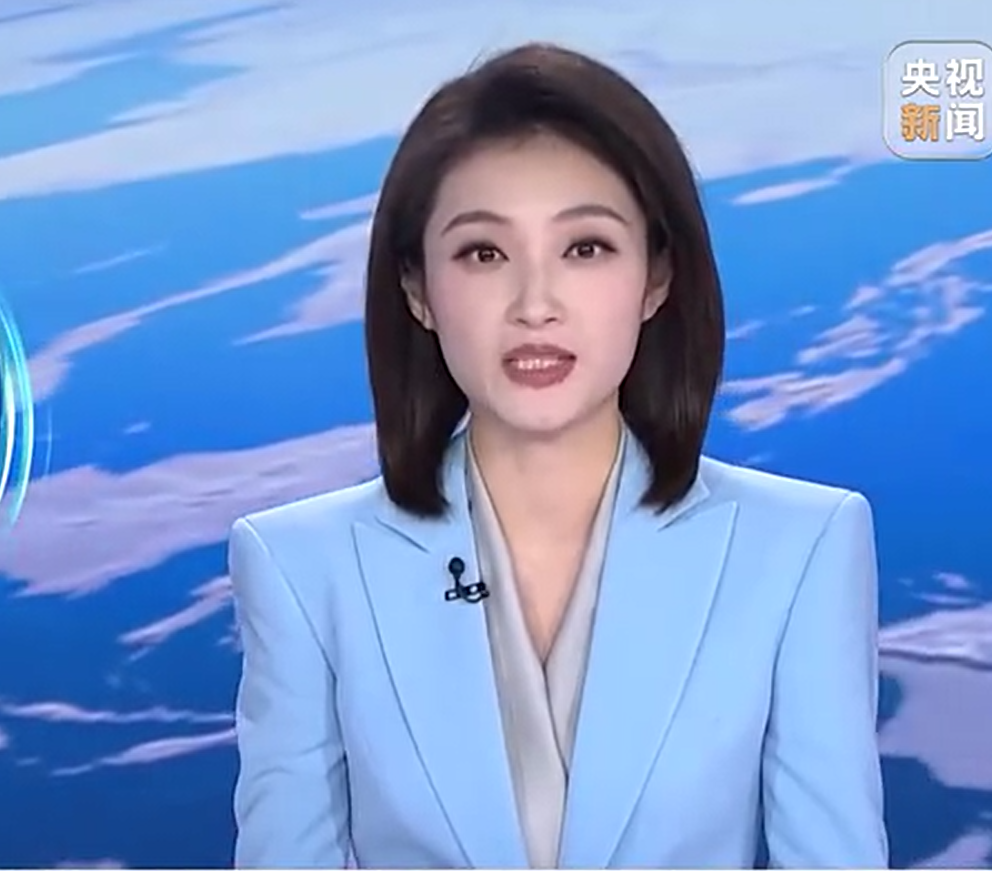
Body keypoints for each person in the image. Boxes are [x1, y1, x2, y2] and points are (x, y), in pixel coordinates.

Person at [228, 43, 887, 869]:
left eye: (585, 248)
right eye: (483, 253)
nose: (534, 305)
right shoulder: (302, 567)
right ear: (416, 289)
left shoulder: (797, 548)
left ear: (656, 277)